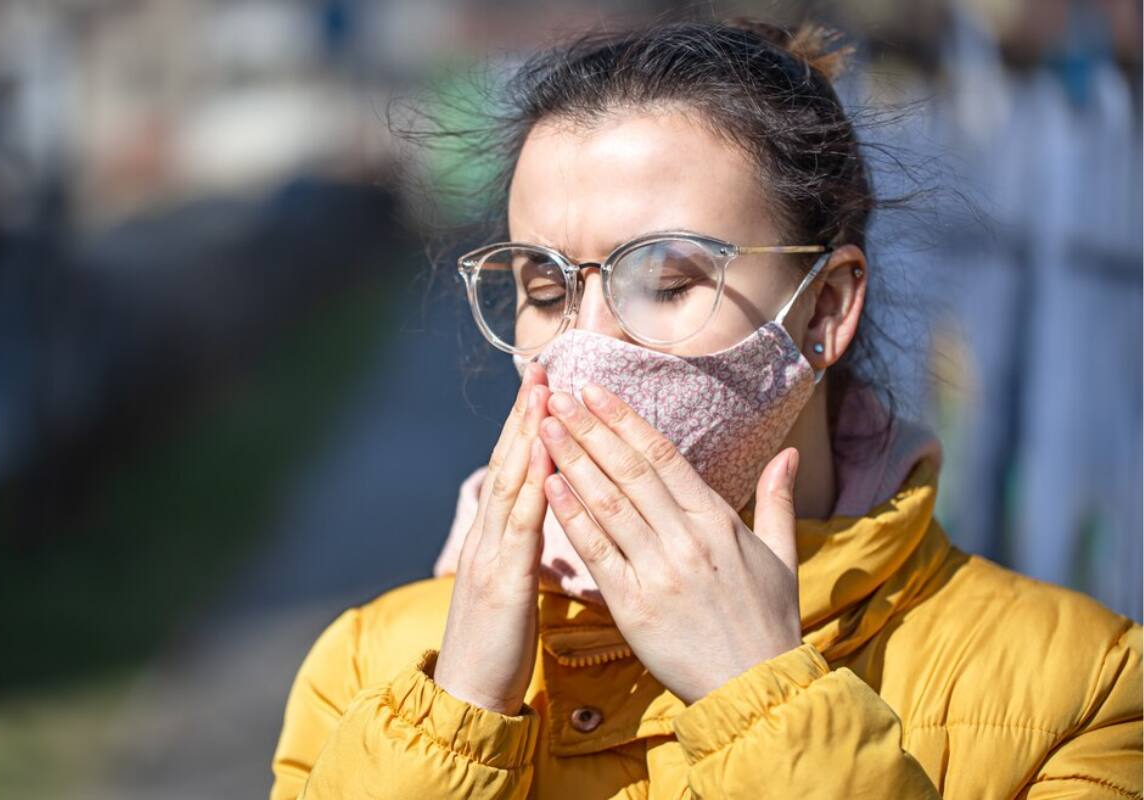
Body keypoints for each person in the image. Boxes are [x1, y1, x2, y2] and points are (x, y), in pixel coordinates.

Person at [269, 18, 1141, 799]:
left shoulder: (1086, 689)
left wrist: (763, 701)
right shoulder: (370, 672)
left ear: (827, 307)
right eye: (545, 286)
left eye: (666, 280)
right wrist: (457, 714)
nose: (589, 348)